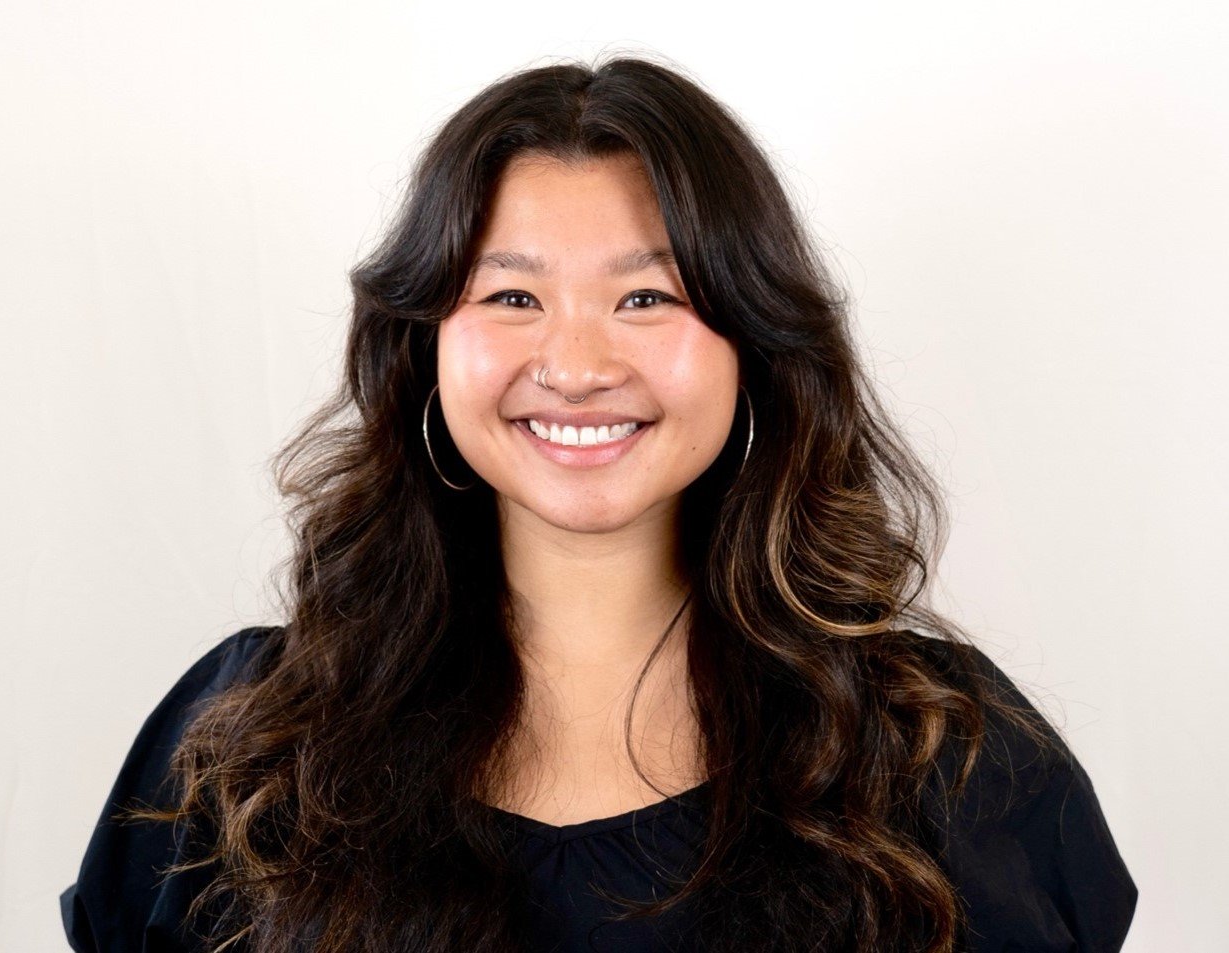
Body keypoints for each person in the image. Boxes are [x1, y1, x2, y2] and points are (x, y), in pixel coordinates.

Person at [60, 54, 1138, 953]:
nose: (574, 363)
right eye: (511, 295)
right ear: (424, 344)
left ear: (753, 346)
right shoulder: (243, 742)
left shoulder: (945, 750)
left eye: (646, 297)